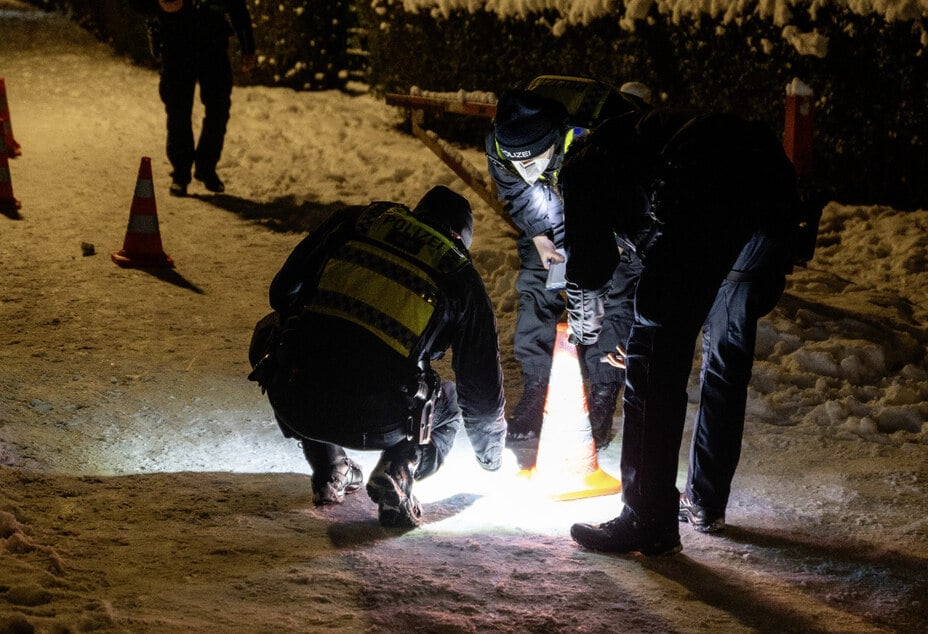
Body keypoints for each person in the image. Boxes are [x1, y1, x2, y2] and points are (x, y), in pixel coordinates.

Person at [559, 107, 800, 554]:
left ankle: (646, 518)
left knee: (651, 360)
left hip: (709, 203)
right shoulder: (643, 145)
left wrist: (586, 321)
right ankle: (706, 502)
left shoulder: (581, 169)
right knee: (724, 365)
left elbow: (593, 265)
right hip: (771, 210)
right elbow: (652, 259)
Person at [248, 186, 507, 528]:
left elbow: (281, 292)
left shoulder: (359, 220)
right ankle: (401, 467)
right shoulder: (460, 276)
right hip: (378, 419)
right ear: (460, 239)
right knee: (450, 402)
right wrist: (491, 459)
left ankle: (330, 467)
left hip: (296, 396)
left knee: (274, 330)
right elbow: (482, 393)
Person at [485, 79, 649, 450]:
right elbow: (516, 190)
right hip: (555, 197)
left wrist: (614, 244)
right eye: (515, 163)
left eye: (531, 161)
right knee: (537, 281)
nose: (522, 169)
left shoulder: (602, 138)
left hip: (611, 203)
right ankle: (537, 384)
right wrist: (542, 235)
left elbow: (631, 205)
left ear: (554, 143)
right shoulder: (501, 141)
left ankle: (604, 389)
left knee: (619, 286)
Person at [136, 0, 256, 196]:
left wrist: (248, 46)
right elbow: (138, 5)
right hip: (176, 44)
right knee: (178, 110)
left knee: (218, 109)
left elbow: (237, 6)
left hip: (213, 44)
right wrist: (159, 4)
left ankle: (206, 167)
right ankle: (181, 173)